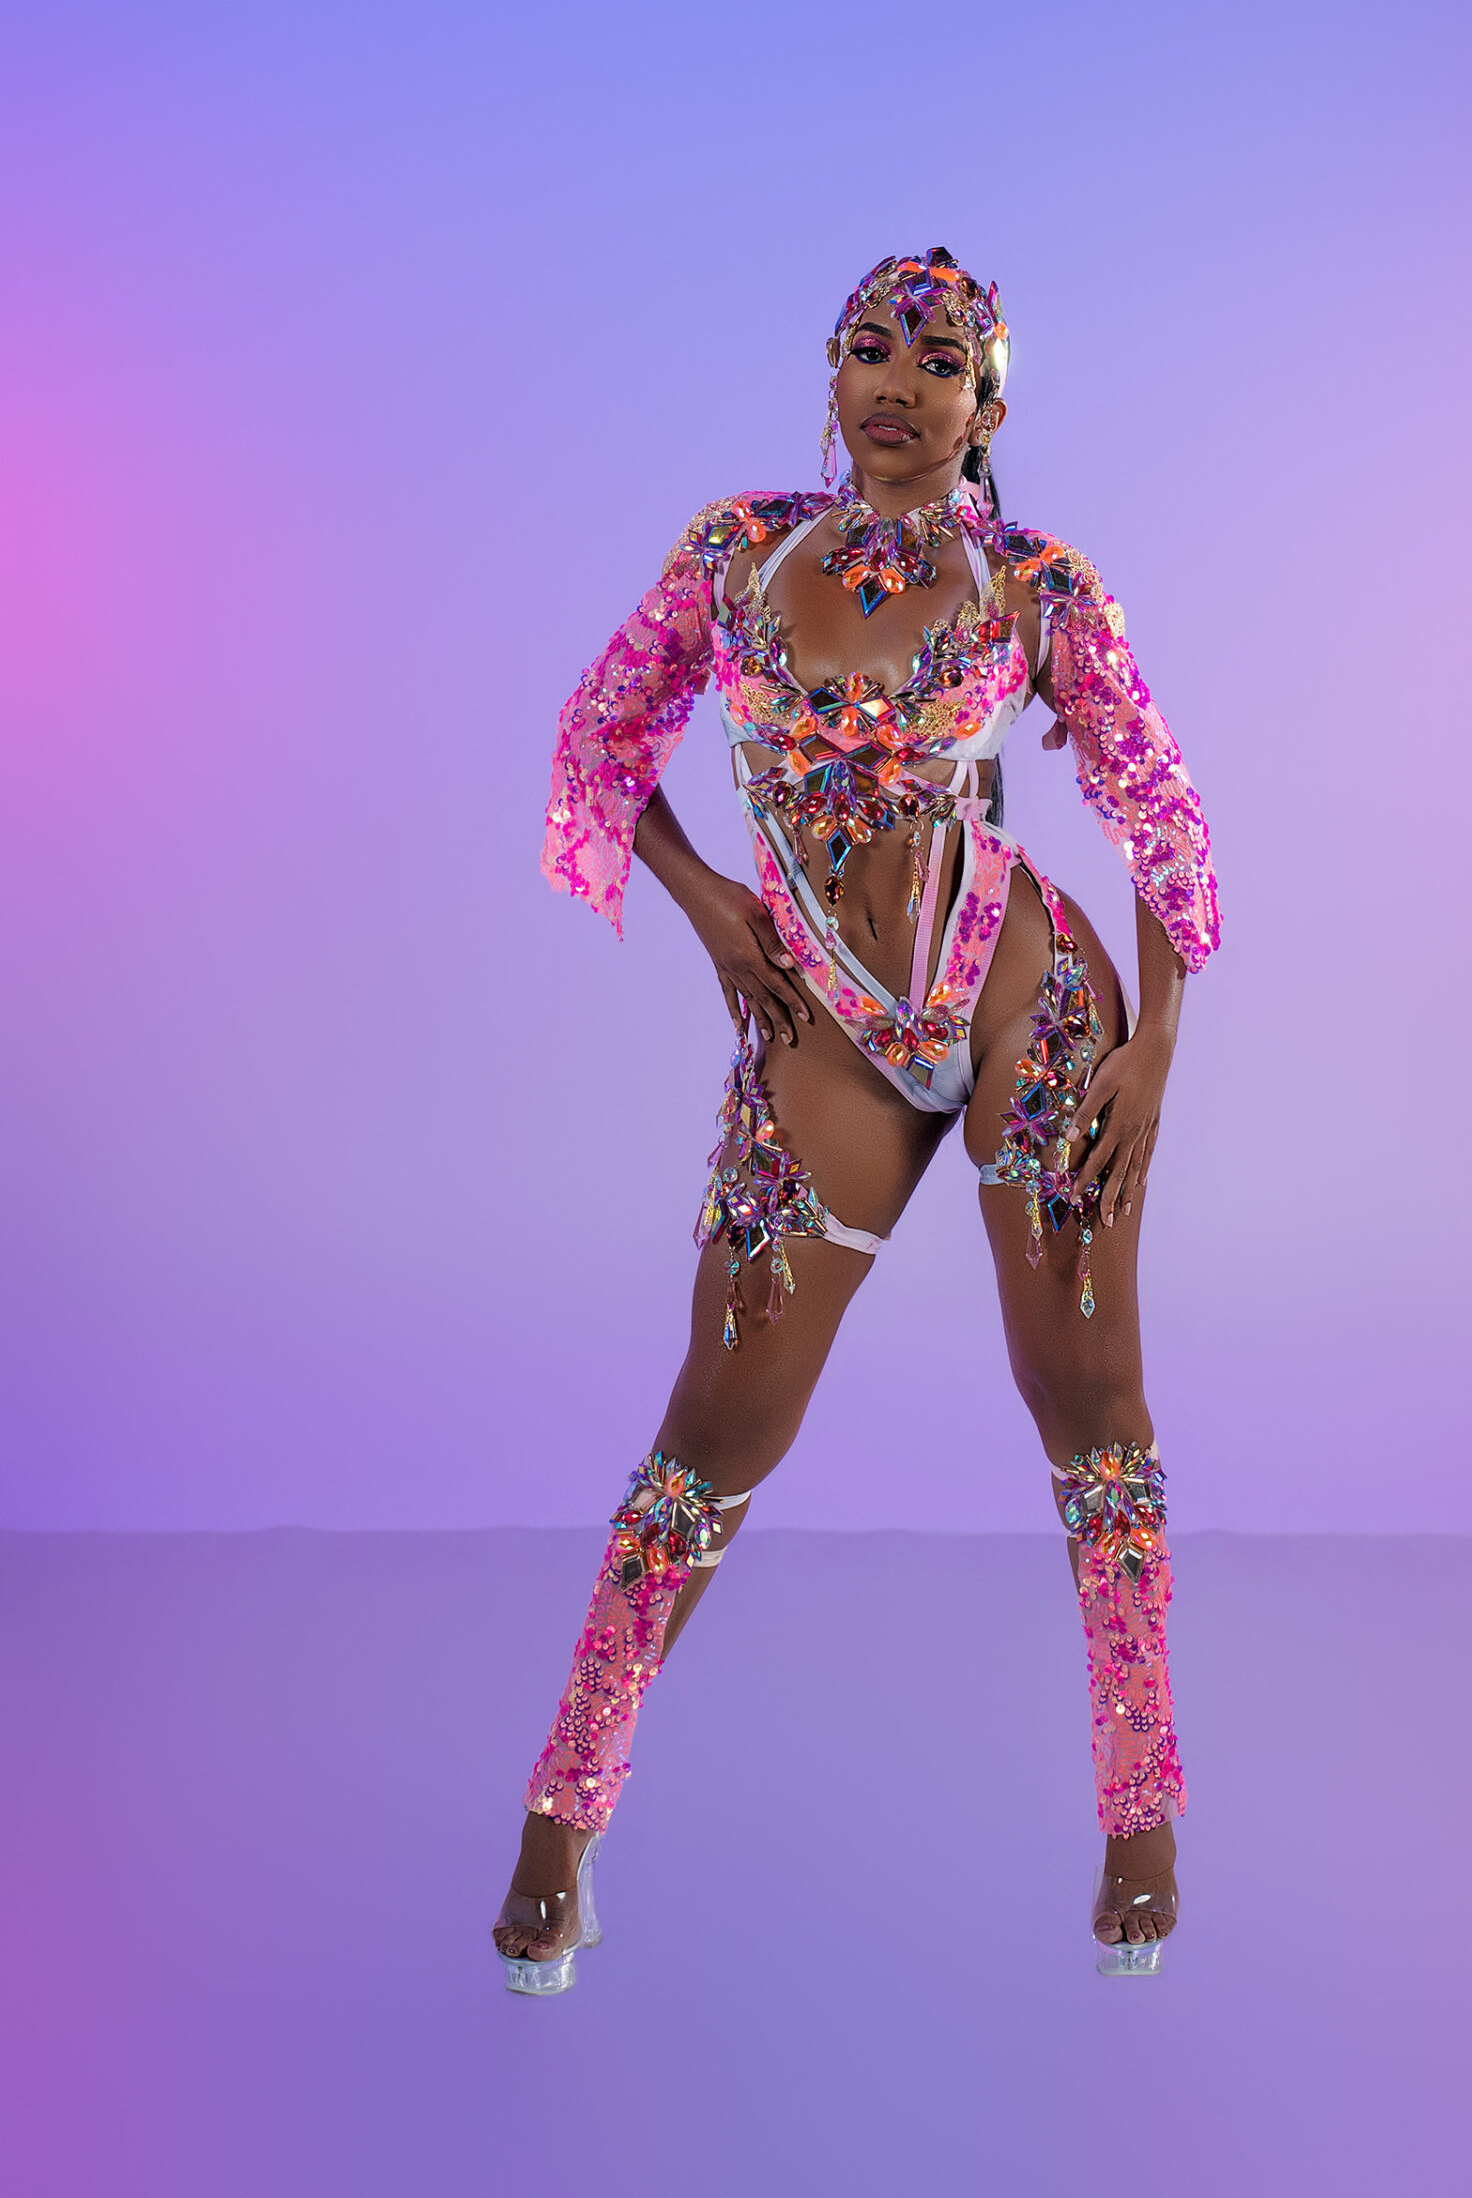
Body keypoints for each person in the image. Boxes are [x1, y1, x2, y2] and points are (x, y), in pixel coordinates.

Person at [492, 248, 1220, 1989]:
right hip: (823, 1020)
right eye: (870, 350)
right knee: (716, 1426)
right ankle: (560, 1818)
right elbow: (598, 737)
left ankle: (1140, 1809)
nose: (899, 383)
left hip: (1026, 1003)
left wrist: (1155, 1048)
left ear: (986, 403)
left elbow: (1156, 805)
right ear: (830, 376)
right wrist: (708, 908)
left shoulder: (1035, 581)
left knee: (1086, 1404)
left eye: (940, 359)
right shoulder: (735, 552)